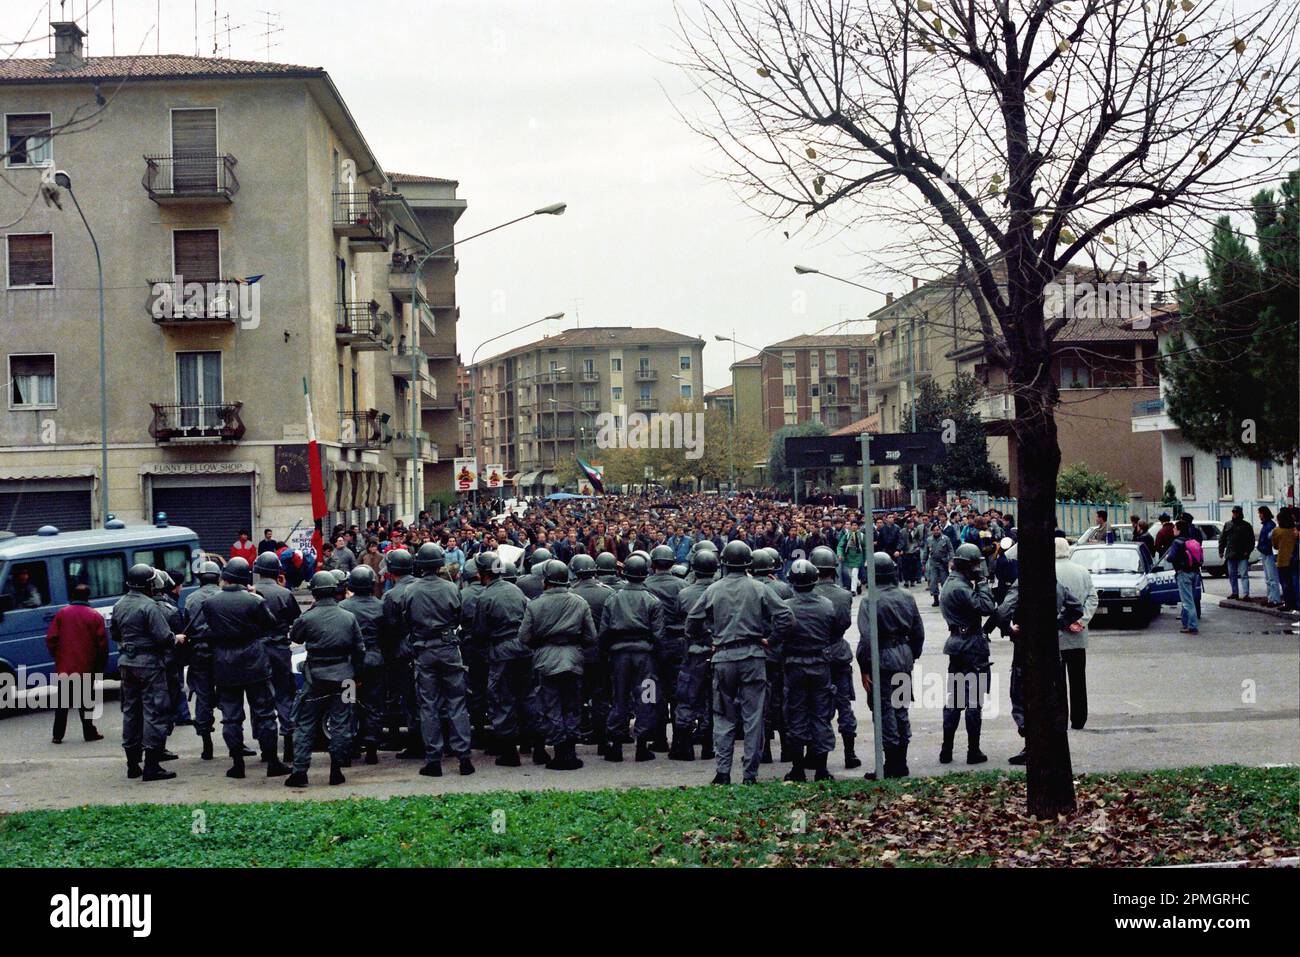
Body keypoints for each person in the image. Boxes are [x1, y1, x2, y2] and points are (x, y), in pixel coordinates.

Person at [686, 540, 794, 785]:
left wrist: (710, 639)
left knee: (723, 717)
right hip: (753, 656)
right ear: (749, 563)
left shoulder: (713, 589)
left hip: (723, 657)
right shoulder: (759, 588)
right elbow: (785, 616)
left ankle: (723, 771)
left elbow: (692, 621)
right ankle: (750, 774)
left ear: (723, 562)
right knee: (753, 718)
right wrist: (771, 640)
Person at [187, 557, 290, 779]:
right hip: (253, 659)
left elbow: (207, 629)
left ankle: (237, 764)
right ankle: (272, 761)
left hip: (224, 661)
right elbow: (270, 623)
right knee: (264, 713)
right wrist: (257, 597)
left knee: (231, 716)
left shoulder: (210, 602)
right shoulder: (254, 600)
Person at [399, 543, 474, 777]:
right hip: (449, 648)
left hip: (424, 649)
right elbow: (459, 616)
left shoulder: (410, 590)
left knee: (428, 705)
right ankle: (464, 758)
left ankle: (434, 759)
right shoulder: (451, 588)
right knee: (457, 703)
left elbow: (406, 620)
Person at [284, 572, 365, 788]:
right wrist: (356, 676)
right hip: (346, 678)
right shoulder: (348, 617)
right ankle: (337, 769)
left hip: (315, 677)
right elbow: (360, 649)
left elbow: (295, 637)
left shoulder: (307, 617)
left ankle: (300, 771)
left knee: (305, 723)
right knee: (343, 722)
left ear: (314, 592)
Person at [519, 559, 598, 770]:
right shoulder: (579, 602)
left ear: (546, 581)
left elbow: (524, 637)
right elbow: (591, 636)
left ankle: (560, 750)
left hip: (546, 659)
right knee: (572, 705)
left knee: (550, 706)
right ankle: (569, 750)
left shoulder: (535, 604)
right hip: (573, 658)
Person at [110, 564, 183, 781]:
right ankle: (152, 766)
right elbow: (163, 637)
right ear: (150, 584)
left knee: (131, 712)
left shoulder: (119, 604)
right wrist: (175, 639)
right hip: (149, 664)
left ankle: (133, 764)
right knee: (155, 712)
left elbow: (115, 633)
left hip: (126, 662)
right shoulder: (149, 606)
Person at [856, 552, 926, 778]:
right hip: (903, 656)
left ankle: (891, 764)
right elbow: (918, 632)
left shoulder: (869, 600)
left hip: (882, 659)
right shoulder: (907, 596)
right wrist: (910, 655)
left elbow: (867, 638)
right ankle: (901, 762)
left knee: (885, 711)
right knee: (901, 708)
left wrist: (864, 666)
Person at [474, 550, 540, 766]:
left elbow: (480, 632)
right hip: (524, 651)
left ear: (482, 573)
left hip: (502, 652)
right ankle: (538, 748)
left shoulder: (484, 597)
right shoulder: (516, 590)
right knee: (528, 698)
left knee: (503, 701)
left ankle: (509, 753)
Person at [599, 553, 664, 762]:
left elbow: (604, 632)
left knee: (619, 697)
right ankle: (642, 745)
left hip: (619, 656)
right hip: (645, 657)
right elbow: (658, 635)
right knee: (647, 697)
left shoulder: (613, 599)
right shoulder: (652, 601)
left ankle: (616, 745)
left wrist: (608, 653)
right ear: (645, 574)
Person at [938, 543, 997, 764]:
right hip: (970, 645)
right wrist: (982, 582)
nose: (978, 568)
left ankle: (947, 749)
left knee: (955, 699)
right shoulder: (960, 587)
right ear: (968, 566)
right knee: (973, 700)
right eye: (975, 565)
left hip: (958, 643)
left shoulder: (953, 583)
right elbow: (986, 607)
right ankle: (973, 750)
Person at [780, 559, 837, 782]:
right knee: (821, 715)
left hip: (795, 665)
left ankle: (798, 769)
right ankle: (821, 769)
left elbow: (781, 635)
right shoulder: (827, 605)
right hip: (820, 665)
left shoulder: (786, 607)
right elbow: (834, 632)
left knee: (796, 715)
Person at [809, 546, 858, 769]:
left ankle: (817, 755)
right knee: (844, 705)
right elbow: (845, 622)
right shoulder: (845, 595)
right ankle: (850, 753)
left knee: (818, 708)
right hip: (839, 652)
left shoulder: (808, 594)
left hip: (817, 653)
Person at [253, 551, 301, 764]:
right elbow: (296, 619)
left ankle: (266, 749)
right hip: (280, 649)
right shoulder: (284, 594)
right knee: (285, 696)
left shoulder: (250, 594)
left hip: (257, 651)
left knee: (260, 699)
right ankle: (289, 743)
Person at [44, 582, 107, 745]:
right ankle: (89, 732)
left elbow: (51, 638)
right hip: (87, 667)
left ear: (72, 596)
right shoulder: (95, 616)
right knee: (86, 702)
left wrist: (58, 657)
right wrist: (100, 664)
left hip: (66, 667)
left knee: (62, 703)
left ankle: (57, 735)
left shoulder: (62, 613)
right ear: (88, 597)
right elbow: (102, 643)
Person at [339, 564, 388, 765]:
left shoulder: (343, 607)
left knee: (348, 703)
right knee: (373, 704)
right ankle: (371, 747)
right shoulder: (381, 606)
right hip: (374, 663)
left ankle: (349, 747)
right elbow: (388, 635)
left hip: (350, 666)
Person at [672, 547, 717, 762]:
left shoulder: (684, 593)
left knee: (687, 698)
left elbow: (683, 618)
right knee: (712, 699)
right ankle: (708, 745)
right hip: (717, 650)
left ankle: (685, 746)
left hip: (694, 652)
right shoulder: (722, 590)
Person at [569, 553, 616, 756]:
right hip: (601, 653)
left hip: (577, 652)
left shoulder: (571, 593)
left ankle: (577, 735)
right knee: (601, 696)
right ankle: (602, 738)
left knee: (576, 696)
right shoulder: (608, 593)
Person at [644, 545, 687, 755]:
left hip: (654, 645)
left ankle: (659, 738)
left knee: (654, 692)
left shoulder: (645, 585)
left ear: (652, 564)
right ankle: (679, 739)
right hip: (679, 644)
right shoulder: (683, 585)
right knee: (679, 692)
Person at [1052, 536, 1098, 731]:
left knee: (1058, 682)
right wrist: (1081, 620)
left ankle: (1061, 718)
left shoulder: (1048, 571)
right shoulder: (1081, 571)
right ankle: (1079, 719)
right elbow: (1093, 598)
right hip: (1078, 635)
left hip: (1056, 635)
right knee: (1078, 680)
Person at [752, 547, 792, 763]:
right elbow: (789, 618)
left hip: (757, 650)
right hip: (778, 651)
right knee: (782, 699)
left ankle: (764, 749)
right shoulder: (783, 588)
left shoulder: (749, 588)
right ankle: (786, 747)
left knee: (759, 702)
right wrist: (776, 639)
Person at [1166, 518, 1202, 634]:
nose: (1173, 530)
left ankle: (1192, 626)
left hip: (1183, 573)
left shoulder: (1177, 542)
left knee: (1187, 602)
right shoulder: (1191, 541)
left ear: (1179, 530)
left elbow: (1171, 558)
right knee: (1189, 599)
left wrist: (1167, 557)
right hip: (1194, 573)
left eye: (1175, 528)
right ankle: (1186, 623)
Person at [1219, 506, 1255, 601]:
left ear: (1240, 514)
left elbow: (1251, 540)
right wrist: (1221, 550)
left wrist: (1248, 551)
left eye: (1236, 513)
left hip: (1242, 554)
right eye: (1234, 512)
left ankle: (1246, 594)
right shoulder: (1227, 524)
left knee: (1244, 574)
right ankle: (1235, 592)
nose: (1235, 514)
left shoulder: (1246, 526)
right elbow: (1222, 539)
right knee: (1232, 574)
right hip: (1231, 553)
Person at [1272, 508, 1299, 611]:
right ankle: (1296, 602)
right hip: (1294, 558)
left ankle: (1288, 603)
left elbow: (1275, 546)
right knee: (1294, 582)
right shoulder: (1294, 530)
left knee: (1285, 582)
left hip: (1283, 559)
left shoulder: (1277, 531)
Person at [924, 523, 953, 607]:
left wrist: (951, 560)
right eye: (934, 530)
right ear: (932, 531)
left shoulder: (945, 539)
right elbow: (926, 551)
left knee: (945, 582)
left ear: (940, 530)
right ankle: (935, 599)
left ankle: (945, 599)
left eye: (938, 530)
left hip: (943, 563)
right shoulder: (929, 540)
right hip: (933, 563)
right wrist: (923, 561)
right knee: (933, 582)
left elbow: (950, 550)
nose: (936, 531)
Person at [1257, 506, 1281, 607]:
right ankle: (1271, 598)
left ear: (1264, 513)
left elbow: (1269, 538)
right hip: (1266, 551)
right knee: (1269, 577)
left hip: (1268, 552)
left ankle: (1274, 599)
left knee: (1271, 577)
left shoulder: (1269, 525)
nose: (1259, 515)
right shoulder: (1269, 524)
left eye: (1260, 513)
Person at [836, 519, 868, 593]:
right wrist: (840, 554)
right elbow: (840, 545)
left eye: (855, 525)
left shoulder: (862, 536)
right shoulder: (847, 535)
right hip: (848, 557)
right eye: (852, 525)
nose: (854, 527)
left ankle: (853, 590)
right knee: (851, 575)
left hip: (858, 557)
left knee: (854, 573)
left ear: (858, 526)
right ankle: (858, 584)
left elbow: (866, 548)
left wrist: (866, 559)